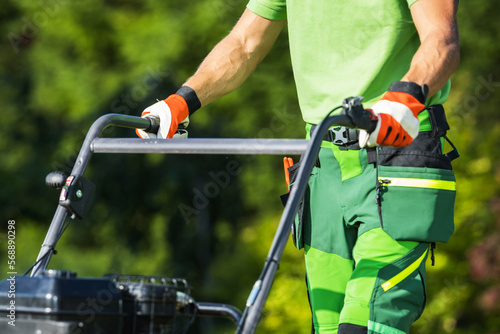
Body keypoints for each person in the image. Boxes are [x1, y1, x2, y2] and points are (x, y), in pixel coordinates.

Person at [137, 0, 460, 333]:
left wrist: (404, 99)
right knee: (327, 324)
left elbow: (441, 41)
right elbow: (245, 44)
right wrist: (182, 101)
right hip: (321, 161)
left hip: (398, 151)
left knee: (369, 317)